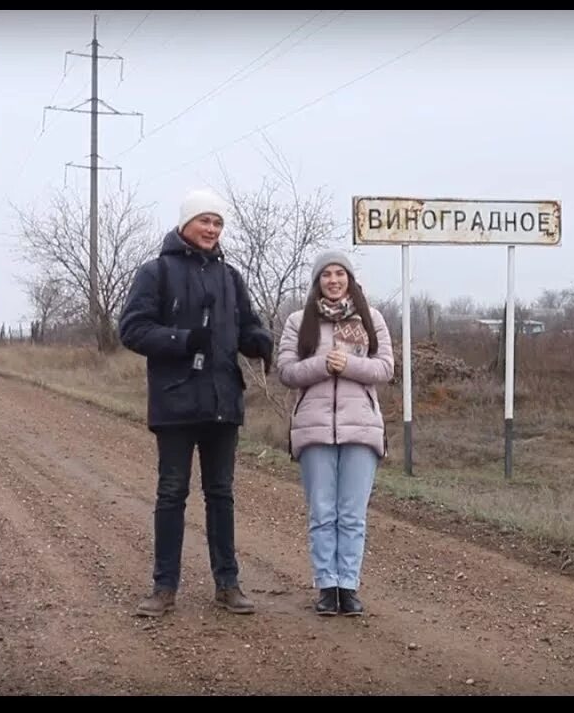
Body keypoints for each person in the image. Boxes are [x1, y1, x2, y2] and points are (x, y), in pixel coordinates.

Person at [117, 187, 273, 618]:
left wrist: (259, 341)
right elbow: (131, 330)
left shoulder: (230, 277)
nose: (211, 229)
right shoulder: (155, 273)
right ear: (186, 224)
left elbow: (248, 326)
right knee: (172, 494)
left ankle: (228, 585)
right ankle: (163, 588)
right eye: (205, 220)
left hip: (223, 403)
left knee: (221, 495)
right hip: (175, 404)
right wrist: (183, 340)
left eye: (218, 222)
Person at [275, 249, 393, 616]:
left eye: (339, 273)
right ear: (317, 282)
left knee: (353, 513)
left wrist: (351, 365)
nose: (333, 280)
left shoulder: (371, 318)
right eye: (326, 275)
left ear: (350, 279)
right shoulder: (299, 321)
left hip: (362, 428)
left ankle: (349, 586)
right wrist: (322, 366)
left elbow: (385, 368)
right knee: (323, 512)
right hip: (313, 429)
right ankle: (327, 585)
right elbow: (286, 371)